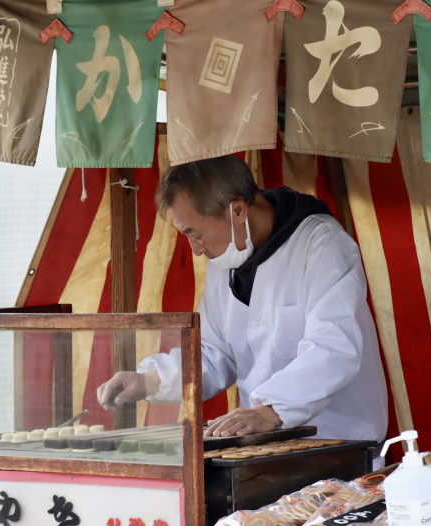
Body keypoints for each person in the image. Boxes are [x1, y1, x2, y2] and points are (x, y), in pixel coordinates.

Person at [97, 155, 388, 448]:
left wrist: (271, 411)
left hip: (339, 442)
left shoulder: (322, 245)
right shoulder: (225, 257)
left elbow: (335, 347)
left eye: (195, 234)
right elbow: (213, 352)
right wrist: (149, 381)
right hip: (266, 444)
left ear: (237, 210)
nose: (196, 250)